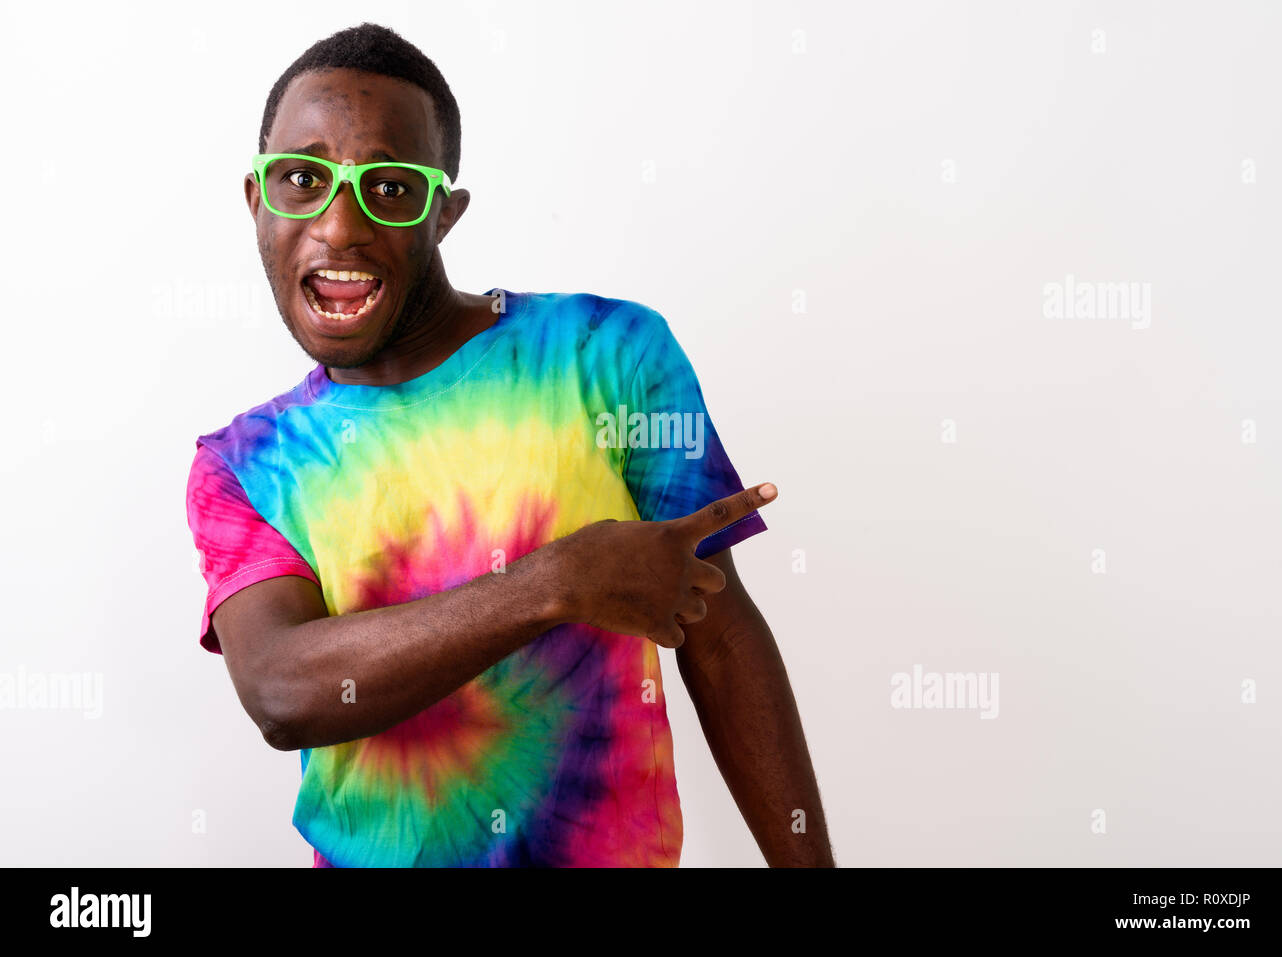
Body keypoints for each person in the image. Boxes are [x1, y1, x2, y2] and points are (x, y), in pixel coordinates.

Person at [185, 21, 833, 867]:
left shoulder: (608, 353)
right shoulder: (242, 465)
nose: (338, 226)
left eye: (389, 188)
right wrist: (557, 583)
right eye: (301, 179)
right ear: (258, 198)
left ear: (444, 215)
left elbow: (719, 634)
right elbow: (282, 689)